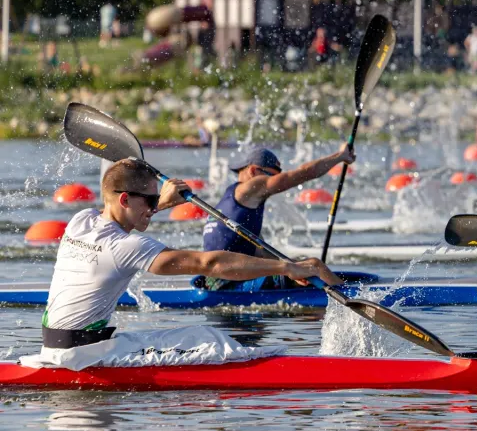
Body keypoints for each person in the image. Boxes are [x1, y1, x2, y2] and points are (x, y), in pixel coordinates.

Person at [40, 159, 339, 353]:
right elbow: (210, 263)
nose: (155, 204)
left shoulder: (81, 220)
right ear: (125, 198)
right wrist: (287, 267)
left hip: (54, 346)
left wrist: (157, 206)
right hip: (84, 357)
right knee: (211, 341)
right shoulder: (128, 248)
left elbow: (120, 220)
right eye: (151, 198)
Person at [198, 144, 355, 291]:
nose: (274, 183)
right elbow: (303, 173)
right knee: (315, 265)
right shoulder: (250, 188)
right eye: (271, 176)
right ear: (253, 171)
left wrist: (293, 267)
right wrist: (340, 156)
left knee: (302, 265)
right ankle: (351, 299)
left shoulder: (231, 200)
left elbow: (260, 252)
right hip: (229, 284)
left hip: (214, 281)